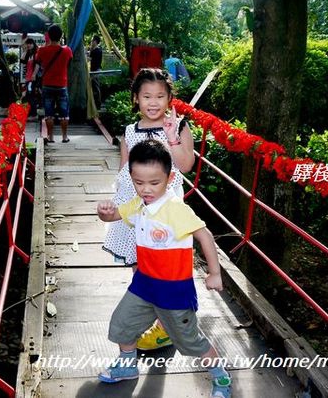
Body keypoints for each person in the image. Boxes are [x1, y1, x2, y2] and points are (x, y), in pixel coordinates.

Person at [96, 140, 231, 398]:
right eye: (138, 182)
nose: (145, 189)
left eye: (154, 183)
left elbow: (205, 236)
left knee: (190, 342)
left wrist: (215, 273)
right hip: (144, 286)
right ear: (132, 178)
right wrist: (104, 212)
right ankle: (127, 366)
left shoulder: (175, 209)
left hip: (173, 292)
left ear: (169, 178)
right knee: (122, 324)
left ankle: (221, 378)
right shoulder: (138, 203)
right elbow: (113, 216)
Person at [103, 68, 195, 351]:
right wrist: (115, 207)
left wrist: (173, 139)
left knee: (165, 267)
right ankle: (152, 322)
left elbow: (185, 165)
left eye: (159, 96)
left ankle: (166, 325)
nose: (153, 102)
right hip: (135, 208)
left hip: (166, 210)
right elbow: (123, 172)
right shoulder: (130, 131)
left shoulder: (178, 127)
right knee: (140, 266)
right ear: (136, 99)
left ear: (169, 99)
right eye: (146, 96)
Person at [33, 24, 73, 143]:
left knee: (49, 113)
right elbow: (69, 63)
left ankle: (50, 137)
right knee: (64, 112)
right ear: (61, 36)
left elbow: (38, 61)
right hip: (61, 85)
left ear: (49, 36)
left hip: (47, 85)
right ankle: (64, 137)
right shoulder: (67, 50)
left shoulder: (42, 50)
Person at [20, 37, 38, 117]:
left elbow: (38, 65)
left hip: (33, 78)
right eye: (28, 44)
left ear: (33, 44)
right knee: (28, 95)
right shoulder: (28, 53)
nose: (29, 45)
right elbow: (22, 60)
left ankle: (33, 112)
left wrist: (34, 74)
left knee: (31, 95)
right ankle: (31, 112)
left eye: (30, 43)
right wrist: (26, 50)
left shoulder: (36, 53)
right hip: (28, 77)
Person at [88, 34, 103, 107]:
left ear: (95, 41)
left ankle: (98, 104)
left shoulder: (96, 51)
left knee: (96, 87)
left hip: (95, 70)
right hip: (97, 70)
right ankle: (97, 103)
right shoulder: (99, 50)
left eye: (92, 40)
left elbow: (89, 59)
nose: (91, 42)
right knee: (95, 86)